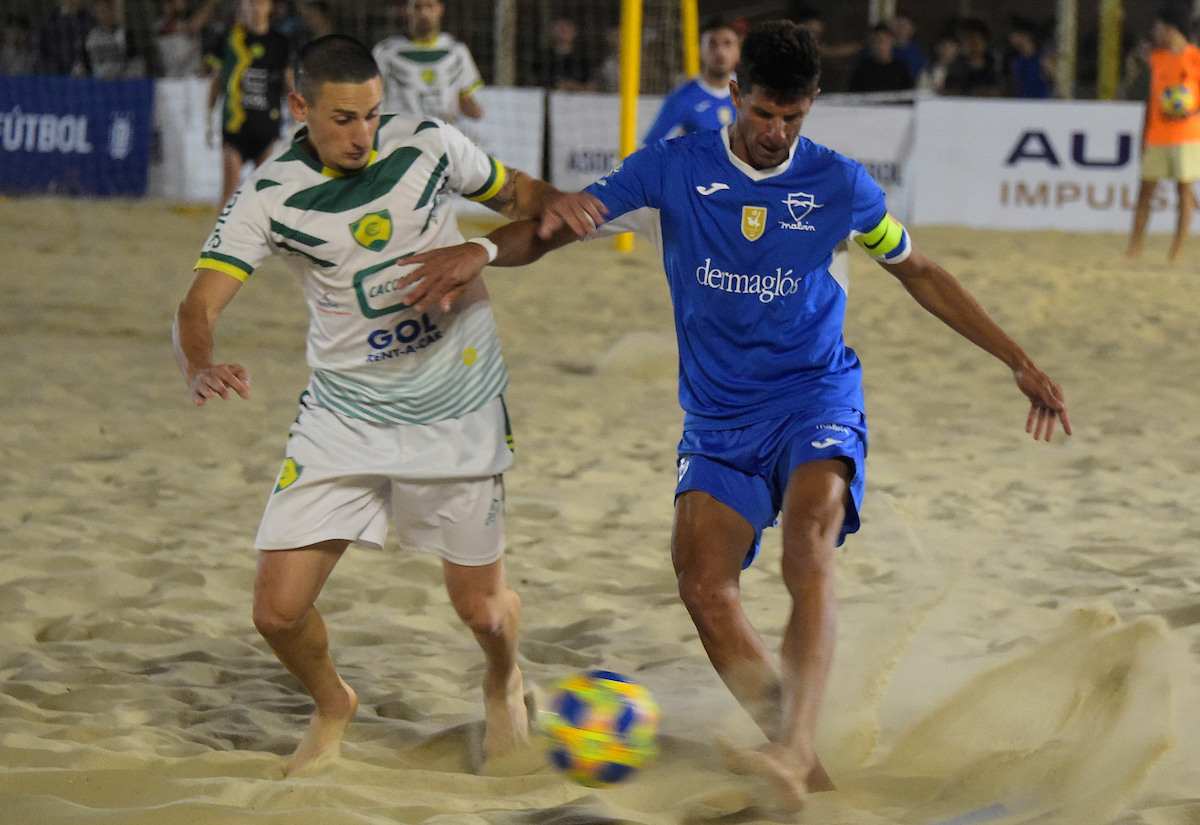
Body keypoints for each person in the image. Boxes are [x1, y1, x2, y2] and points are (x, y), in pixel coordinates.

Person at [394, 20, 1072, 811]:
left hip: (815, 394)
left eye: (793, 116)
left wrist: (1018, 358)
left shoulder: (841, 184)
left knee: (808, 544)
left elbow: (917, 269)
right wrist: (482, 251)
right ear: (735, 94)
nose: (777, 132)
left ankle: (789, 746)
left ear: (811, 105)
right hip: (718, 416)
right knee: (702, 582)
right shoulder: (672, 166)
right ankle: (801, 757)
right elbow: (554, 226)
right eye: (764, 114)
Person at [174, 33, 600, 778]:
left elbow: (525, 198)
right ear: (299, 106)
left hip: (457, 403)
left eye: (372, 114)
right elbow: (199, 302)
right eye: (342, 118)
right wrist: (200, 363)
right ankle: (334, 701)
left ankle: (504, 675)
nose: (362, 135)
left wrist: (525, 224)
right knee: (275, 612)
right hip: (346, 416)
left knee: (484, 612)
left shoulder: (430, 144)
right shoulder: (269, 193)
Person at [1126, 5, 1200, 263]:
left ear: (1171, 29)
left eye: (1158, 27)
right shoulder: (1157, 58)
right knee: (1145, 192)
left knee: (1184, 191)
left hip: (1187, 135)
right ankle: (1133, 250)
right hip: (1157, 135)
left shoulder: (1195, 58)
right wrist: (1143, 135)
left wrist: (1190, 112)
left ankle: (1175, 253)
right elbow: (1150, 100)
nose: (1155, 32)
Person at [207, 0, 294, 207]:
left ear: (270, 7)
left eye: (260, 3)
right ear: (242, 7)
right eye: (250, 3)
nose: (255, 8)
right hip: (235, 126)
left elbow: (289, 83)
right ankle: (223, 238)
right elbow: (217, 81)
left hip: (266, 126)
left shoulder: (280, 42)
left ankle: (264, 238)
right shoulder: (230, 39)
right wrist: (209, 116)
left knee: (267, 190)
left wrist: (297, 115)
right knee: (230, 189)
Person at [372, 0, 484, 122]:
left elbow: (465, 99)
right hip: (403, 136)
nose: (423, 13)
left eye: (429, 6)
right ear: (407, 10)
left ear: (440, 9)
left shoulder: (456, 51)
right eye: (417, 7)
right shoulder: (385, 53)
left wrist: (475, 111)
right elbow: (373, 98)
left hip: (443, 135)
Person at [642, 17, 740, 145]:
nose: (720, 52)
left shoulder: (750, 93)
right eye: (712, 44)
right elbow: (647, 150)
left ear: (738, 50)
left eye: (727, 44)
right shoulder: (682, 98)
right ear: (700, 51)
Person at [154, 0, 222, 77]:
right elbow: (192, 26)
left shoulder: (184, 17)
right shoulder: (164, 24)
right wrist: (212, 2)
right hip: (177, 79)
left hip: (193, 75)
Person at [847, 22, 914, 93]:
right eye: (873, 41)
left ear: (891, 41)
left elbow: (907, 95)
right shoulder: (862, 69)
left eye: (882, 40)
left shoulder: (902, 68)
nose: (878, 45)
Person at [943, 18, 1000, 96]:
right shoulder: (955, 70)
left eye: (975, 41)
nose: (970, 46)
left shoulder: (995, 68)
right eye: (965, 40)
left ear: (984, 43)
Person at [529, 18, 590, 91]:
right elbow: (532, 82)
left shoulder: (583, 59)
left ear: (574, 32)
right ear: (552, 32)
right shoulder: (542, 57)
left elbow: (592, 85)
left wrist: (575, 86)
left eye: (567, 28)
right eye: (560, 28)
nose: (563, 31)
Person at [38, 0, 92, 76]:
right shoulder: (50, 20)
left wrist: (86, 67)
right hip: (54, 73)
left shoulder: (87, 20)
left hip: (81, 75)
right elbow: (42, 48)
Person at [1006, 17, 1051, 98]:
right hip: (1023, 104)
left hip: (1043, 103)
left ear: (1025, 35)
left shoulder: (1044, 58)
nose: (1011, 37)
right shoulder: (1017, 62)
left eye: (1015, 33)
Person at [889, 13, 927, 81]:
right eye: (898, 25)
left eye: (904, 26)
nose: (900, 29)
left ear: (912, 30)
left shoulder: (917, 53)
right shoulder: (881, 48)